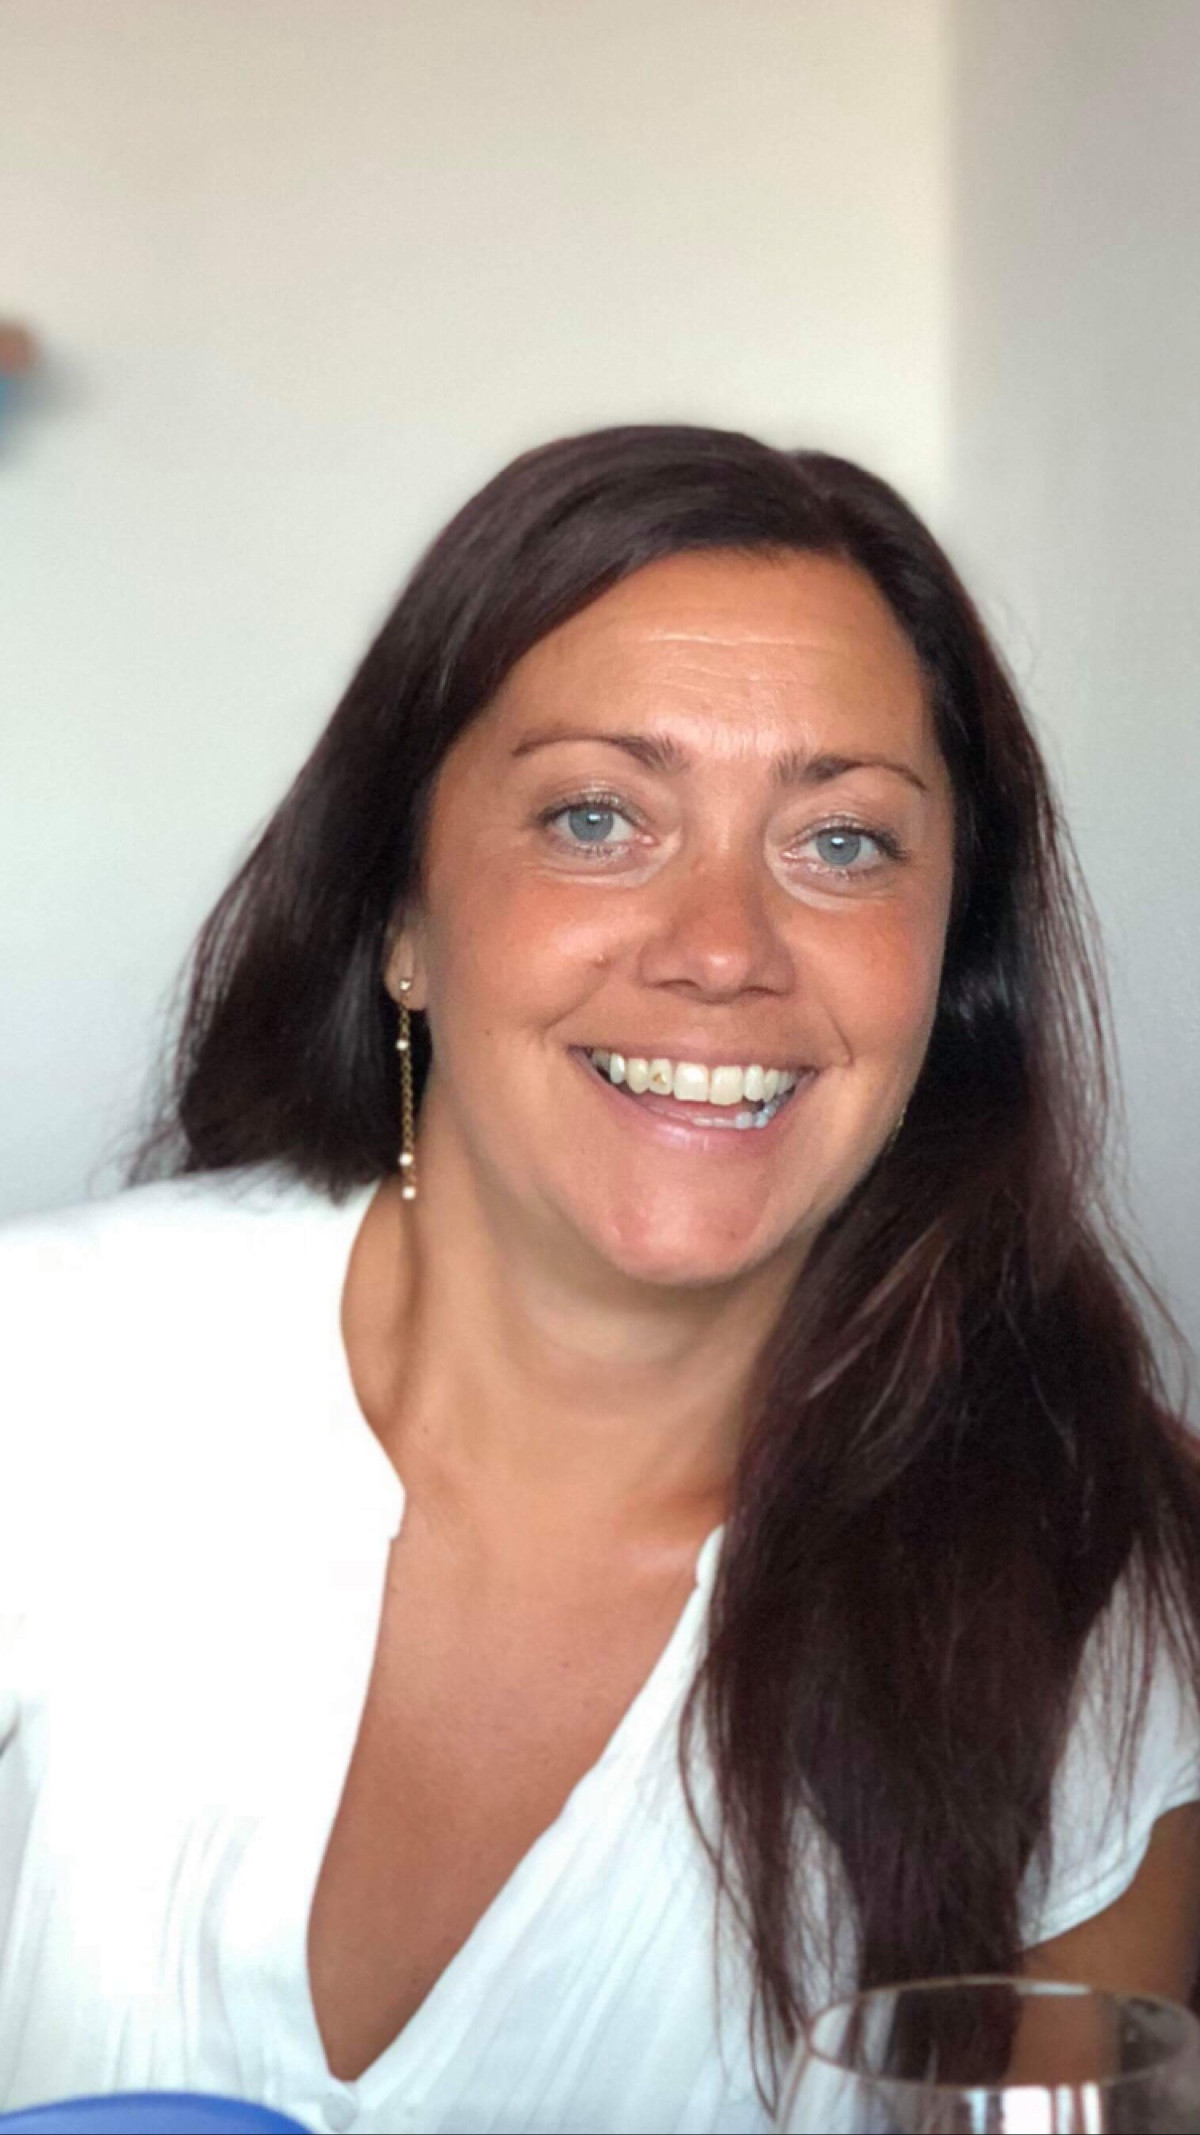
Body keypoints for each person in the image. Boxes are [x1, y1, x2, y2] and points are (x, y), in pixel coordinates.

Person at [2, 426, 1200, 2135]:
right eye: (595, 818)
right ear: (402, 920)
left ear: (952, 970)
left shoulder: (1089, 1578)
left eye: (843, 844)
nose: (721, 949)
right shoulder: (44, 1368)